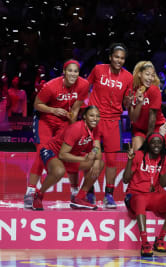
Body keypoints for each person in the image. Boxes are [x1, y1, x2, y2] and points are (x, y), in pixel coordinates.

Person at [24, 59, 89, 209]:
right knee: (42, 152)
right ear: (64, 72)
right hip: (45, 119)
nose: (73, 74)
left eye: (76, 71)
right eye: (70, 71)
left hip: (64, 121)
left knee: (72, 150)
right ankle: (30, 191)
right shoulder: (50, 86)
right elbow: (36, 105)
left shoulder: (84, 85)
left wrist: (73, 129)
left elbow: (76, 108)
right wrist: (53, 110)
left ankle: (74, 193)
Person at [87, 43, 133, 208]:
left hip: (114, 122)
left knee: (112, 161)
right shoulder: (98, 70)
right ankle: (89, 192)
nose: (119, 60)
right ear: (110, 57)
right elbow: (85, 87)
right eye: (116, 57)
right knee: (92, 158)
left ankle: (109, 195)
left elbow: (127, 102)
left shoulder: (128, 77)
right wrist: (86, 109)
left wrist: (131, 101)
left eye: (122, 58)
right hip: (95, 121)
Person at [32, 106, 104, 210]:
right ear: (84, 117)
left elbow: (97, 148)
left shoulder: (96, 128)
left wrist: (96, 161)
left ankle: (80, 198)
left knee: (99, 164)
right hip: (52, 152)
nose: (95, 118)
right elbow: (62, 154)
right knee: (59, 171)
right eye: (91, 115)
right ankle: (38, 195)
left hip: (70, 156)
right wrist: (84, 159)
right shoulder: (76, 128)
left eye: (98, 116)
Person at [123, 133, 166, 257]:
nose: (156, 145)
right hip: (135, 194)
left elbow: (164, 183)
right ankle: (144, 242)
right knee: (140, 201)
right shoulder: (138, 155)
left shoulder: (165, 158)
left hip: (154, 195)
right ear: (148, 144)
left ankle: (160, 239)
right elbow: (126, 179)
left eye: (159, 143)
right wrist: (130, 160)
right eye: (153, 142)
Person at [128, 61, 166, 152]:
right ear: (140, 74)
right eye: (147, 74)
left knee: (153, 151)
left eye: (152, 75)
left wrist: (148, 140)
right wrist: (139, 103)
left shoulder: (154, 90)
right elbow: (133, 118)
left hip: (156, 127)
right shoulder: (132, 90)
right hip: (139, 129)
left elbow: (152, 118)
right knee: (137, 152)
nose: (150, 78)